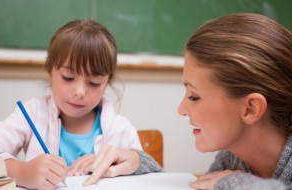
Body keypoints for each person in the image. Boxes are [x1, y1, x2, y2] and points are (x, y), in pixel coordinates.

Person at [82, 13, 292, 190]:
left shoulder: (234, 173)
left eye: (194, 96)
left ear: (251, 108)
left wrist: (236, 183)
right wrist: (141, 164)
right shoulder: (233, 157)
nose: (181, 109)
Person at [0, 19, 142, 189]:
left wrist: (137, 161)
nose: (80, 91)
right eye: (68, 77)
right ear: (50, 72)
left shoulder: (120, 129)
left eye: (94, 82)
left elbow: (154, 176)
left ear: (107, 81)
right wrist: (22, 172)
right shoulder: (33, 114)